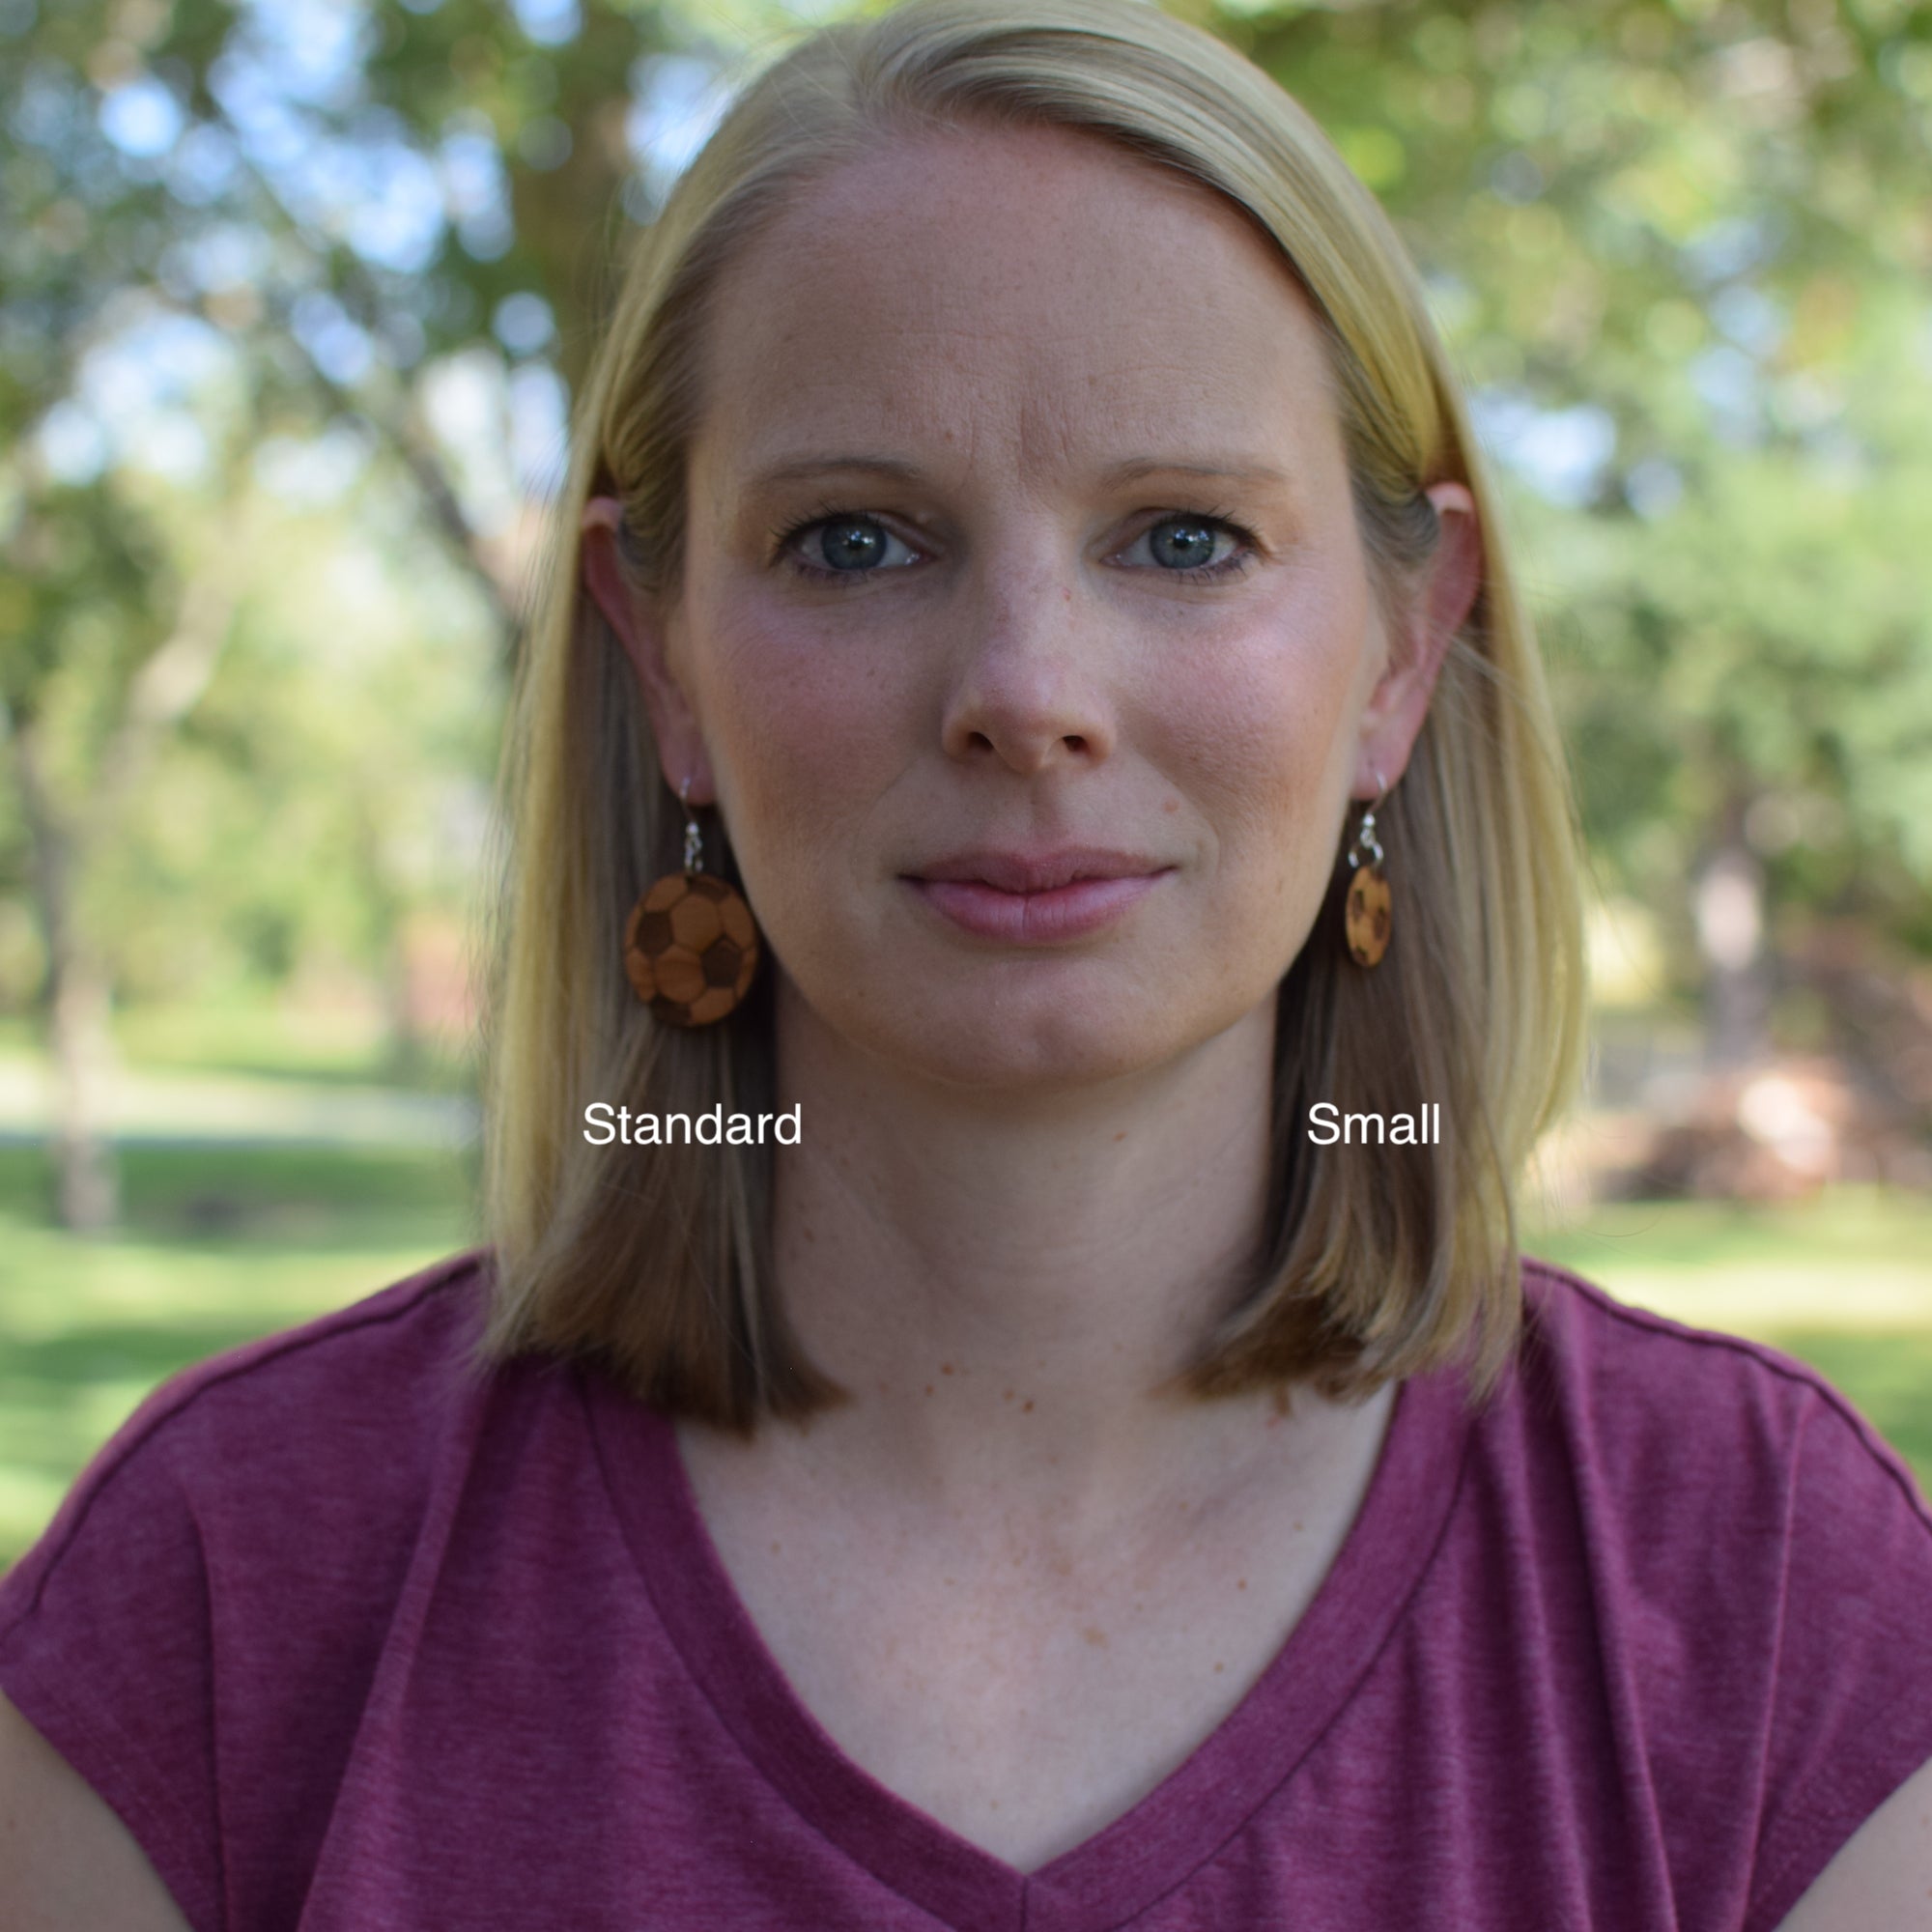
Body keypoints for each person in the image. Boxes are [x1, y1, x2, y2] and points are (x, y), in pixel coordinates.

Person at [3, 0, 1929, 1924]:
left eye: (1182, 537)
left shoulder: (1767, 1602)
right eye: (854, 542)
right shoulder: (223, 1596)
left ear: (1404, 653)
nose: (1025, 693)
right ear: (660, 651)